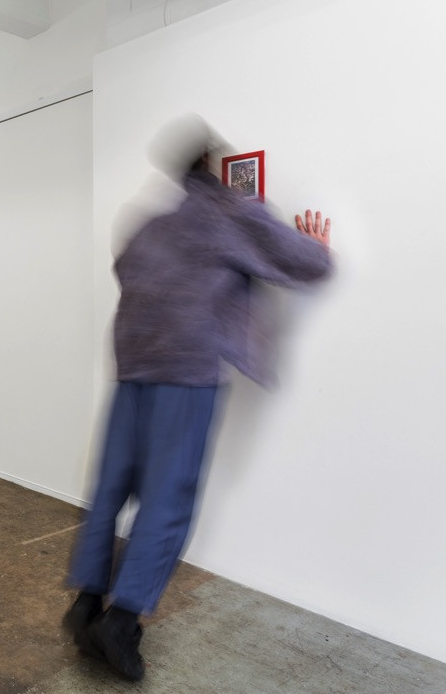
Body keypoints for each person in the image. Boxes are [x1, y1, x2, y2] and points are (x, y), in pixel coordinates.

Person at [64, 115, 333, 681]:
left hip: (131, 367)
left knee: (110, 489)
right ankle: (121, 624)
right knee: (168, 502)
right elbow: (302, 262)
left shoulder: (149, 225)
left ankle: (86, 604)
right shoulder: (228, 212)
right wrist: (317, 248)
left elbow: (123, 266)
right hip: (184, 375)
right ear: (212, 166)